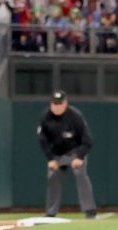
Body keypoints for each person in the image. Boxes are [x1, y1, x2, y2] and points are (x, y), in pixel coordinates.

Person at [38, 90, 96, 218]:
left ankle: (90, 210)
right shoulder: (46, 117)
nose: (57, 106)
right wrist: (51, 158)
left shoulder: (75, 116)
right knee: (52, 176)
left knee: (80, 173)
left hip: (75, 151)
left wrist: (80, 157)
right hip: (57, 154)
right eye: (54, 103)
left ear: (66, 103)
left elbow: (87, 140)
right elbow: (43, 140)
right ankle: (51, 212)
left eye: (60, 103)